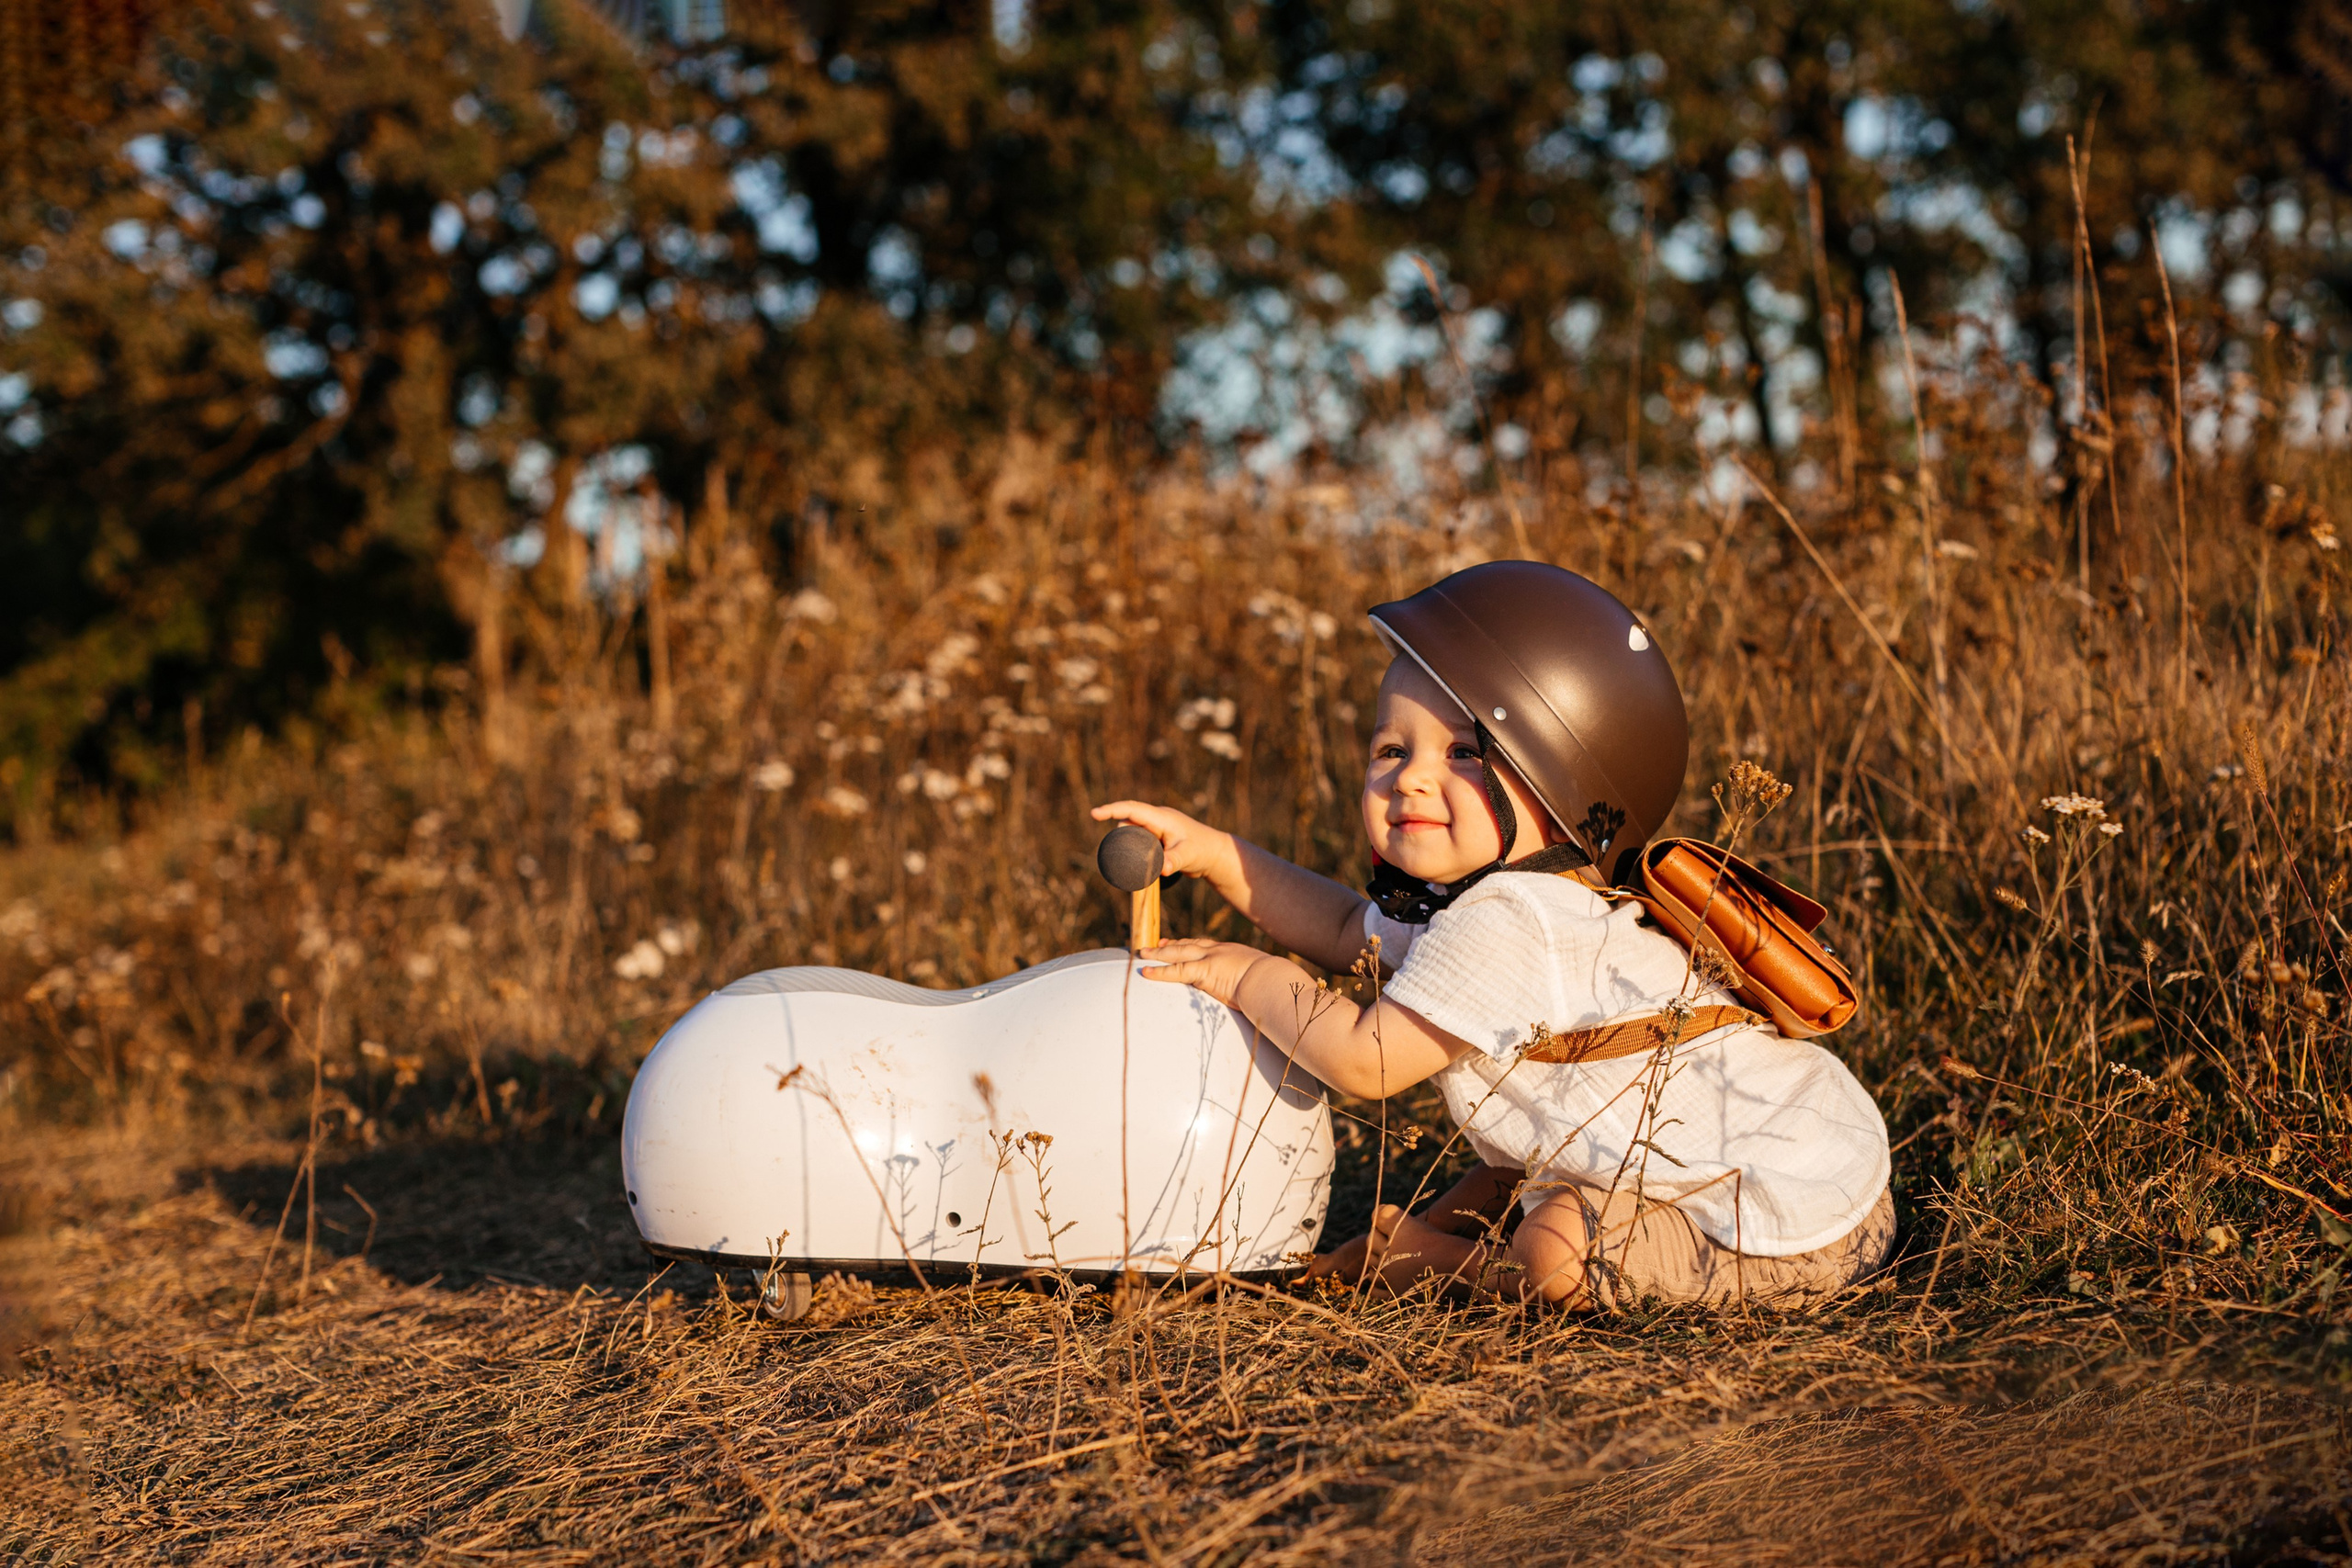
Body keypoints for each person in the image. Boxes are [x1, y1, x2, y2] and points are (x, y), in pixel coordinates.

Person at [1091, 560, 1892, 1308]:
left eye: (1464, 752)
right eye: (1391, 748)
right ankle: (1414, 1241)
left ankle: (1432, 1261)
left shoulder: (1512, 917)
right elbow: (1342, 926)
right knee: (1508, 1178)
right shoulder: (1502, 903)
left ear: (1563, 788)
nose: (1410, 776)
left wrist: (1246, 975)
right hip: (1791, 1169)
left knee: (1553, 1250)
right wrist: (1217, 854)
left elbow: (1366, 1059)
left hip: (1790, 1220)